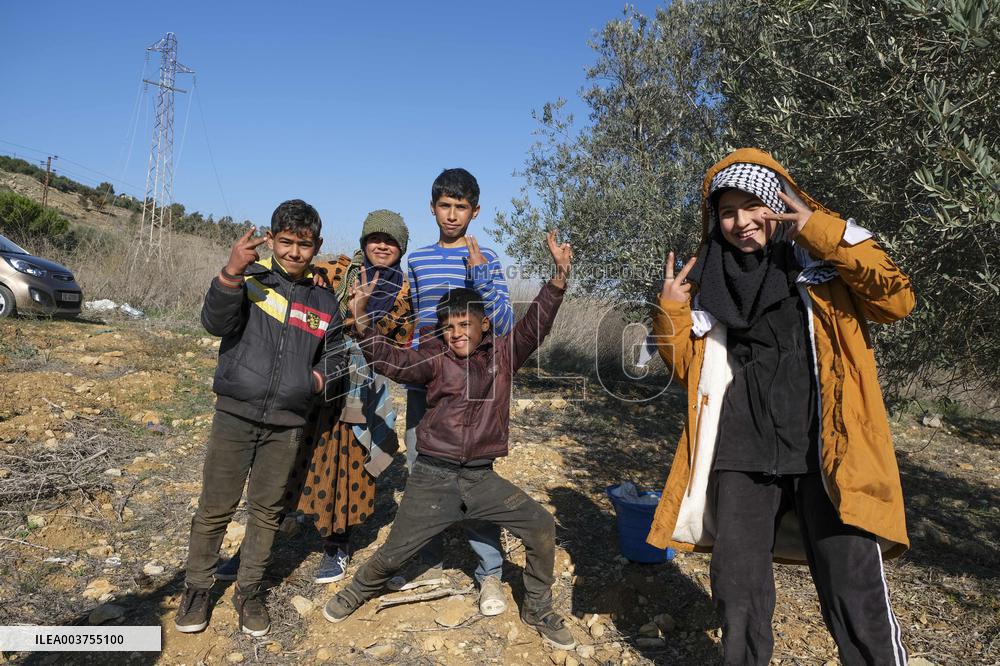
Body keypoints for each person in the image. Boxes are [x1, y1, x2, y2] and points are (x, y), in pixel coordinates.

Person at [646, 149, 914, 665]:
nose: (741, 222)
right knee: (736, 585)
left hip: (826, 447)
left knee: (850, 583)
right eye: (727, 212)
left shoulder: (820, 265)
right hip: (743, 446)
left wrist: (821, 229)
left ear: (776, 203)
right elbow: (690, 371)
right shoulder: (712, 281)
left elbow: (897, 299)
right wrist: (672, 312)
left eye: (753, 206)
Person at [322, 231, 576, 651]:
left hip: (481, 480)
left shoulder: (504, 355)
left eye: (465, 325)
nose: (457, 334)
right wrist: (363, 321)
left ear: (484, 324)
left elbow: (535, 324)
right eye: (449, 327)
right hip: (433, 478)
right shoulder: (434, 358)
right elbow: (392, 361)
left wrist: (558, 279)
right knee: (393, 553)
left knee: (541, 526)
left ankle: (537, 606)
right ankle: (357, 590)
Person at [174, 200, 348, 637]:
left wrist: (312, 382)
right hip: (235, 413)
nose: (293, 252)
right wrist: (230, 272)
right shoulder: (250, 281)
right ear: (271, 240)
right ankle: (197, 589)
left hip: (287, 423)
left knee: (267, 511)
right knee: (215, 508)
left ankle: (249, 591)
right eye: (285, 241)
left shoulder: (325, 301)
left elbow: (339, 359)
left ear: (317, 246)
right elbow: (214, 323)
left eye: (303, 245)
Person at [395, 167, 514, 616]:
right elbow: (417, 324)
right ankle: (427, 558)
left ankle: (490, 575)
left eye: (460, 207)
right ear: (432, 208)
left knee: (475, 477)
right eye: (444, 206)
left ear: (474, 211)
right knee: (421, 469)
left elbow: (502, 325)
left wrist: (481, 275)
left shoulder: (487, 257)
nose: (451, 214)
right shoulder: (419, 260)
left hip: (475, 386)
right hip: (428, 382)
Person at [287, 209, 414, 582]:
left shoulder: (404, 292)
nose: (381, 245)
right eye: (375, 238)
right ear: (363, 242)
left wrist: (364, 324)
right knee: (302, 451)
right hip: (317, 378)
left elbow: (401, 342)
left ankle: (336, 543)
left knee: (351, 460)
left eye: (390, 241)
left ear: (401, 248)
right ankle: (279, 525)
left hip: (364, 385)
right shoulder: (333, 272)